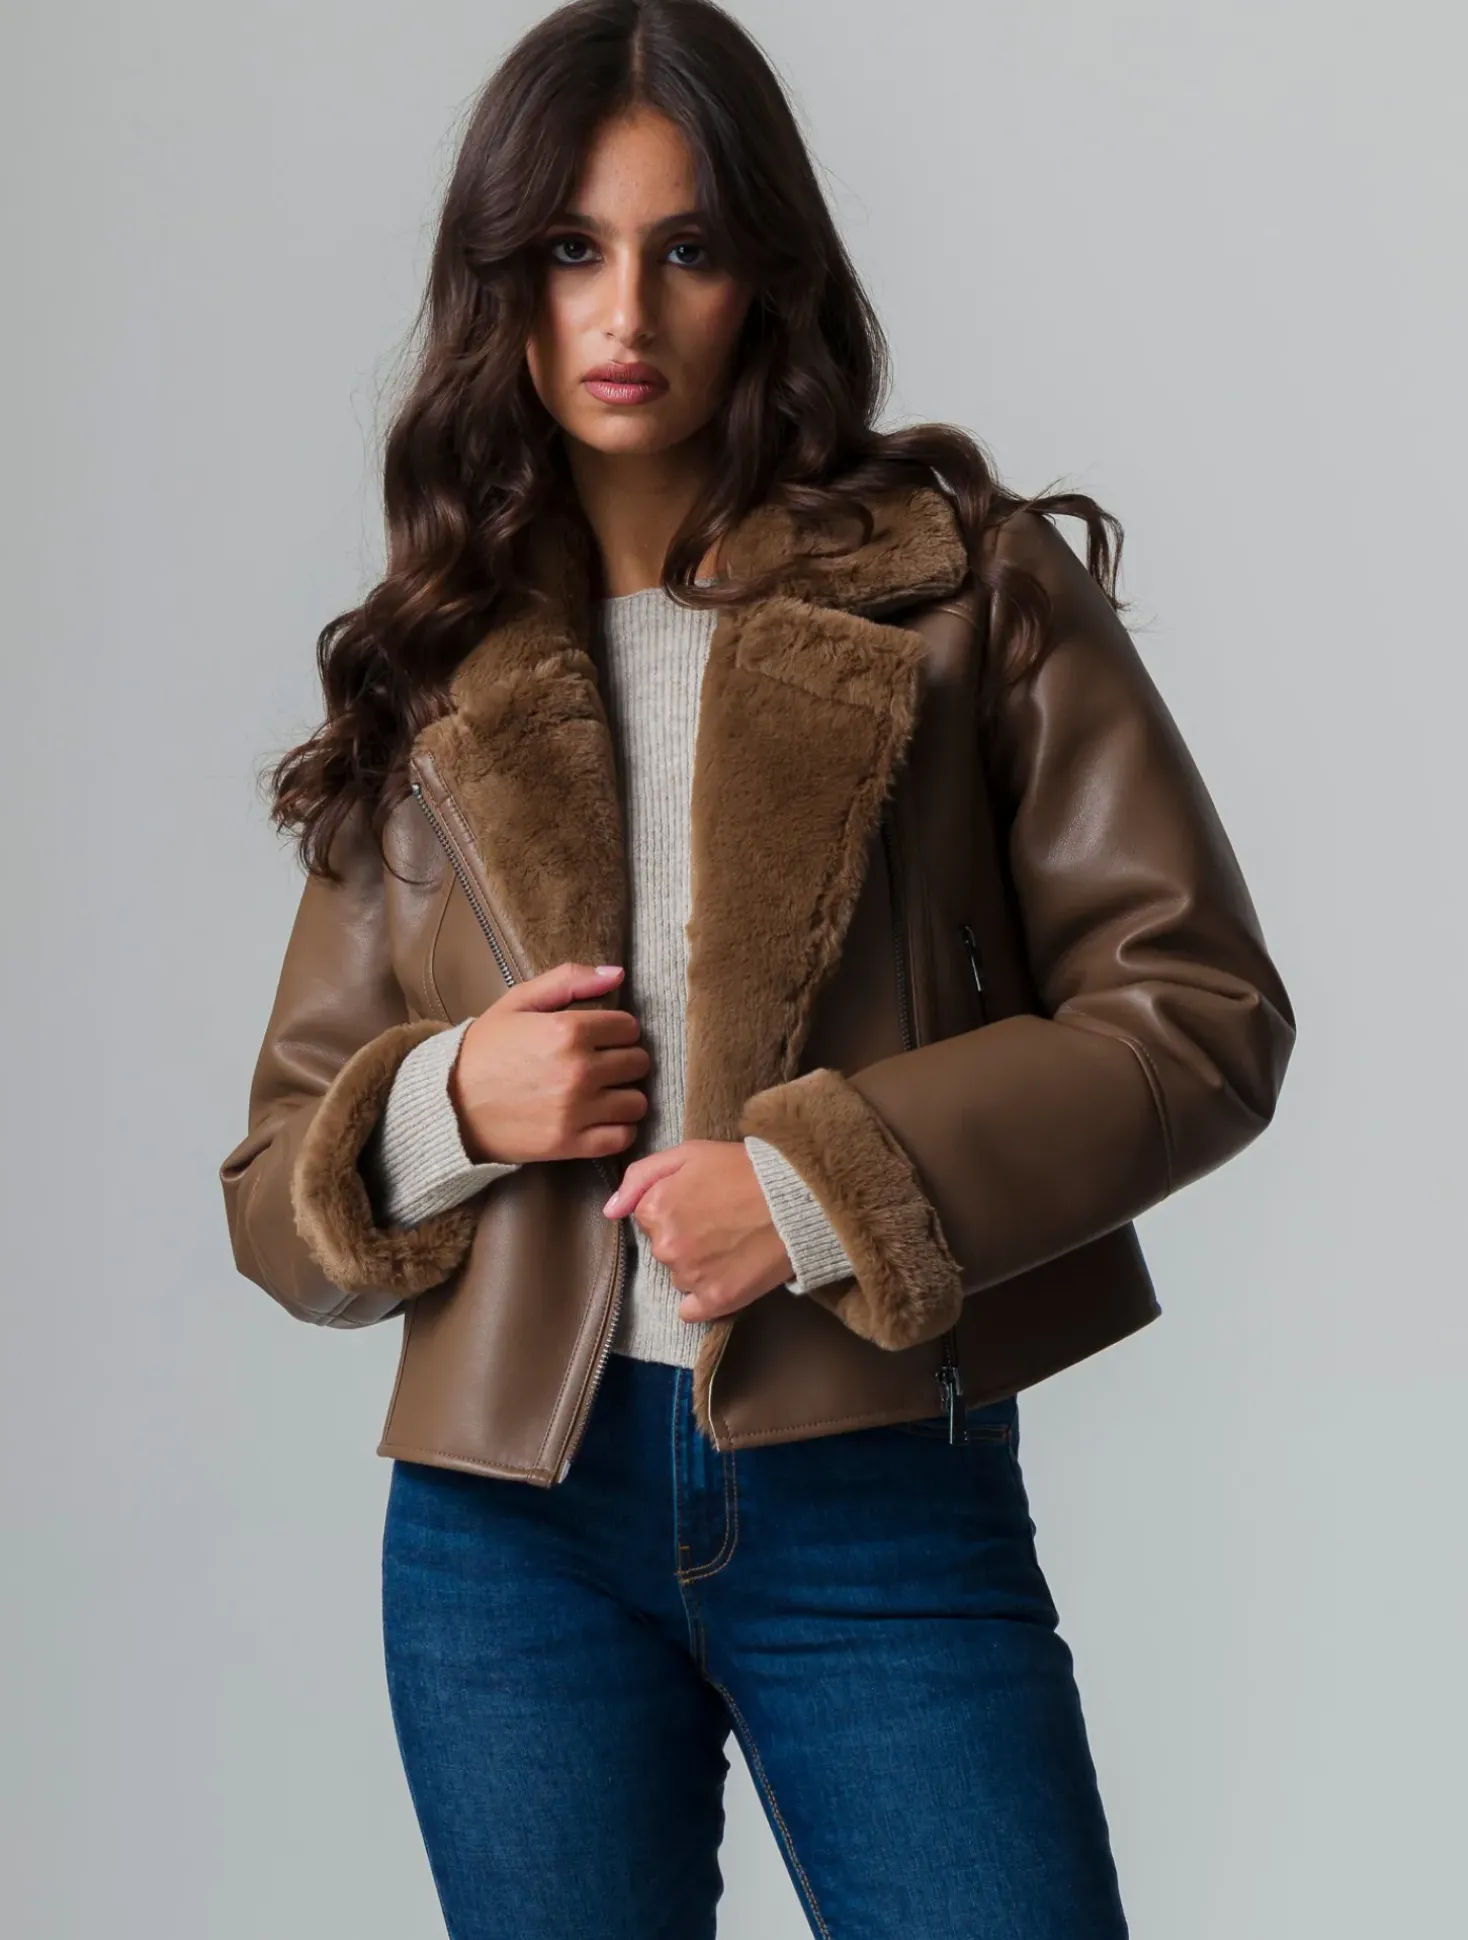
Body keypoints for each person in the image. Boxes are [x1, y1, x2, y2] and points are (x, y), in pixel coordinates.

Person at [217, 3, 1296, 1933]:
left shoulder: (965, 590)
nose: (623, 311)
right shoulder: (437, 659)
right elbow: (274, 1194)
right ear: (502, 283)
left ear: (765, 276)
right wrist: (450, 1103)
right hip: (507, 1537)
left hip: (879, 1496)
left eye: (687, 247)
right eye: (571, 248)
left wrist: (811, 1187)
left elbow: (1199, 1015)